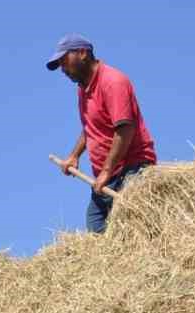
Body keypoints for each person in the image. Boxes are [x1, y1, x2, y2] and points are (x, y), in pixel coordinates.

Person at [47, 33, 157, 233]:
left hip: (132, 169)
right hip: (108, 175)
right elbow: (91, 125)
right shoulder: (84, 88)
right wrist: (74, 155)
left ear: (82, 53)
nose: (62, 69)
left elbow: (125, 128)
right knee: (96, 228)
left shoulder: (113, 82)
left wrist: (106, 171)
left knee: (130, 230)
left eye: (64, 61)